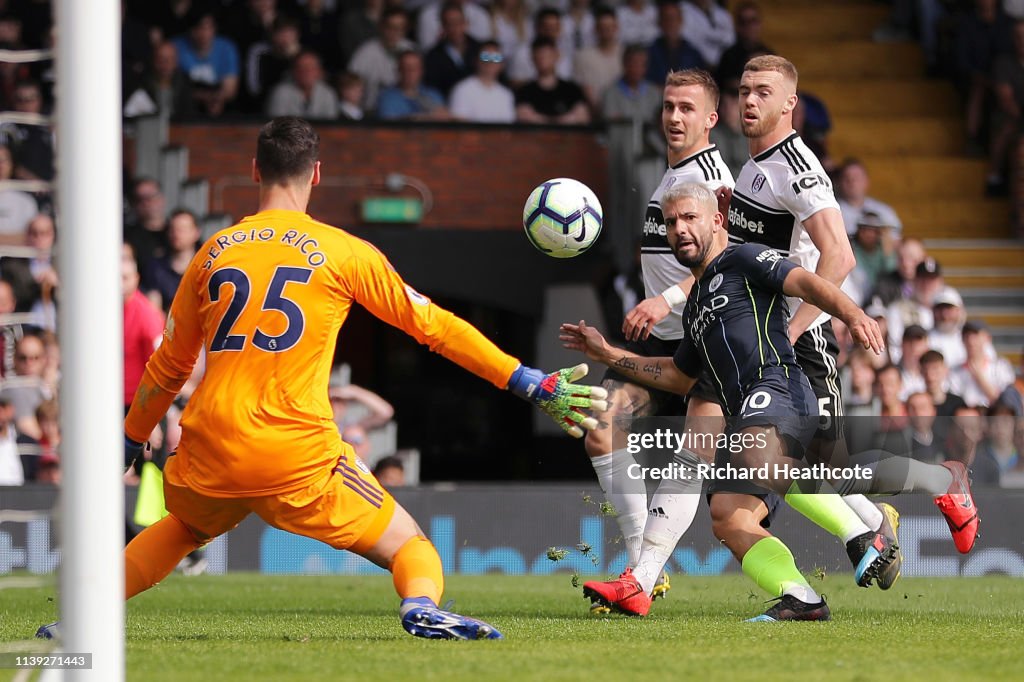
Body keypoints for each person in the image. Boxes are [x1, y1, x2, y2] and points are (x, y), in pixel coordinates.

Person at [37, 117, 607, 642]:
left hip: (210, 444)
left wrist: (132, 438)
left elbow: (170, 365)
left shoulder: (211, 253)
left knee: (183, 528)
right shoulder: (343, 252)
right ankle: (420, 607)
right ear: (316, 174)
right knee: (410, 542)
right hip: (295, 452)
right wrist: (525, 380)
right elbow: (433, 327)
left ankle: (78, 621)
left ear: (255, 171)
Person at [562, 182, 896, 621]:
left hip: (781, 389)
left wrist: (853, 315)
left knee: (756, 453)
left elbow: (806, 283)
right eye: (670, 222)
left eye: (689, 218)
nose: (679, 229)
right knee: (728, 517)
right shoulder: (696, 305)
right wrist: (609, 355)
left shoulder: (742, 258)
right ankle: (803, 599)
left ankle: (864, 535)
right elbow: (679, 376)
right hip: (752, 412)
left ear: (716, 220)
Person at [721, 55, 977, 560]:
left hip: (803, 340)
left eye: (763, 92)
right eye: (745, 90)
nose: (750, 100)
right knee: (806, 465)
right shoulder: (753, 166)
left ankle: (941, 479)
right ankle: (876, 528)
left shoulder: (798, 169)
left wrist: (792, 333)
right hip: (769, 337)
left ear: (790, 103)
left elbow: (840, 255)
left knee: (826, 469)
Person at [582, 69, 733, 610]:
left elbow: (725, 262)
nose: (674, 117)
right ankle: (641, 570)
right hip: (656, 343)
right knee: (602, 428)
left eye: (687, 108)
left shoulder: (714, 179)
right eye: (669, 106)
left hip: (701, 343)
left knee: (770, 470)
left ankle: (870, 518)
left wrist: (663, 301)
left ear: (710, 118)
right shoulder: (671, 175)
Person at [172, 11, 241, 117]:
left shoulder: (226, 48)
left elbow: (230, 90)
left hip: (221, 105)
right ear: (190, 30)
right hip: (185, 105)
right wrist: (205, 97)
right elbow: (171, 87)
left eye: (208, 28)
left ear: (214, 29)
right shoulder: (175, 47)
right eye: (199, 28)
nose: (204, 33)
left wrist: (215, 99)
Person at [514, 37, 590, 125]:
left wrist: (539, 119)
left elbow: (583, 116)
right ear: (532, 59)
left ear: (557, 56)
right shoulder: (525, 91)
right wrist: (566, 119)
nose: (543, 61)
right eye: (539, 57)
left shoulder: (572, 89)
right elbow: (523, 116)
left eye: (547, 56)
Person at [141, 209, 202, 314]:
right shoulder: (155, 267)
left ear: (196, 233)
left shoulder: (206, 265)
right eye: (172, 229)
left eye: (182, 229)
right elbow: (153, 309)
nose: (176, 234)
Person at [950, 320, 1016, 408]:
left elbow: (1006, 402)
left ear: (987, 338)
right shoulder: (954, 372)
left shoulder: (1000, 366)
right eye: (967, 335)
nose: (971, 340)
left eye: (975, 335)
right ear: (962, 340)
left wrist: (979, 378)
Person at [449, 41, 516, 123]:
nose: (490, 61)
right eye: (485, 56)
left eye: (496, 57)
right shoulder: (462, 89)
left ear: (502, 64)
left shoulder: (506, 94)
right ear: (476, 60)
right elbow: (460, 127)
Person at [836, 158, 903, 239]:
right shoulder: (832, 211)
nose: (852, 182)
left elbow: (895, 239)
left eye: (857, 177)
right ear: (839, 182)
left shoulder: (884, 211)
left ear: (866, 181)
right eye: (847, 177)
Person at [572, 6, 622, 114]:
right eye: (602, 27)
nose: (606, 31)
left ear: (616, 27)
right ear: (595, 29)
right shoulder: (583, 56)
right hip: (595, 114)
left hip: (623, 111)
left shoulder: (625, 55)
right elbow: (586, 91)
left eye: (610, 27)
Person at [265, 51, 340, 120]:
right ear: (294, 71)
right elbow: (275, 126)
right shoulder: (280, 92)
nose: (307, 72)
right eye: (301, 68)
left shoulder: (328, 93)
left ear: (319, 71)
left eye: (311, 68)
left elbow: (332, 127)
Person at [377, 50, 449, 121]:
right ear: (398, 70)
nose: (410, 71)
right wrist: (422, 118)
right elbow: (388, 125)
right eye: (406, 67)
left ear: (421, 71)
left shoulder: (433, 95)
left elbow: (445, 119)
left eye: (415, 68)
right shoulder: (387, 98)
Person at [645, 2, 705, 86]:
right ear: (659, 22)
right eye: (666, 19)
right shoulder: (649, 53)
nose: (670, 23)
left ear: (681, 21)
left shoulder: (693, 54)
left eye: (673, 18)